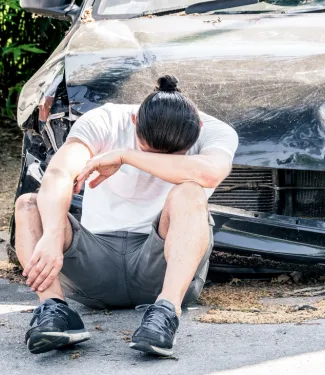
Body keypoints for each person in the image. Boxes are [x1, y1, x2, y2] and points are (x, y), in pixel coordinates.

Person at [13, 75, 238, 356]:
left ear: (199, 128)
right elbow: (59, 172)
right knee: (28, 204)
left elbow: (210, 172)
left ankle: (166, 313)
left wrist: (127, 156)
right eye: (147, 149)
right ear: (134, 122)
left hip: (160, 266)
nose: (160, 160)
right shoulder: (106, 120)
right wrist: (52, 235)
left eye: (174, 156)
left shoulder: (216, 131)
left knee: (190, 192)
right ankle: (55, 312)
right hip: (94, 266)